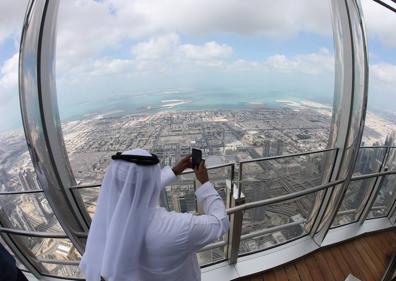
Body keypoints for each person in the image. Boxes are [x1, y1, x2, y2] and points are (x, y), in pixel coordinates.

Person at [80, 148, 229, 281]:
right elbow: (220, 222)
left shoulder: (106, 220)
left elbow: (137, 190)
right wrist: (205, 183)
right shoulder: (178, 227)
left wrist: (174, 171)